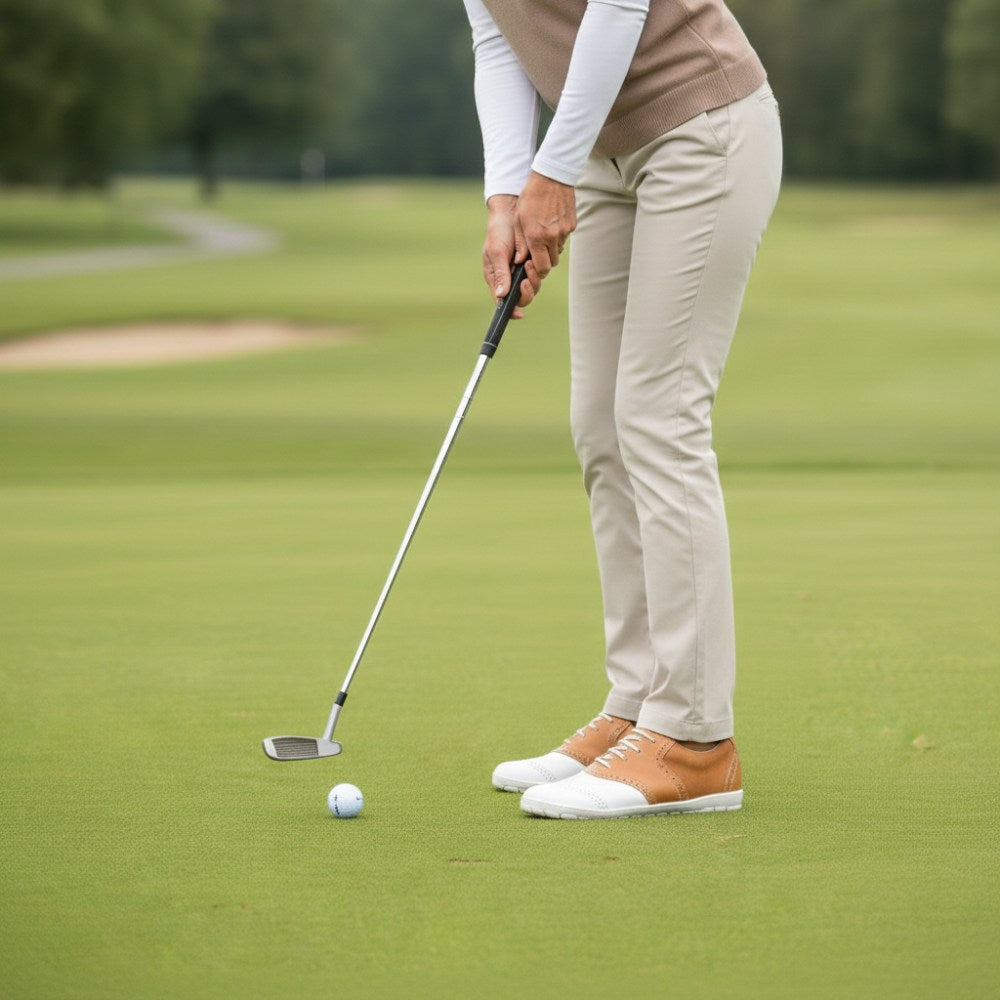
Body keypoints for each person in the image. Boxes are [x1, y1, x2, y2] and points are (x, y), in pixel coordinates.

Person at [462, 0, 782, 819]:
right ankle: (640, 706)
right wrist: (506, 197)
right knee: (601, 427)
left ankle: (696, 741)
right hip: (601, 158)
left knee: (658, 418)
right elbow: (499, 41)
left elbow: (620, 6)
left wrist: (551, 172)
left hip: (700, 127)